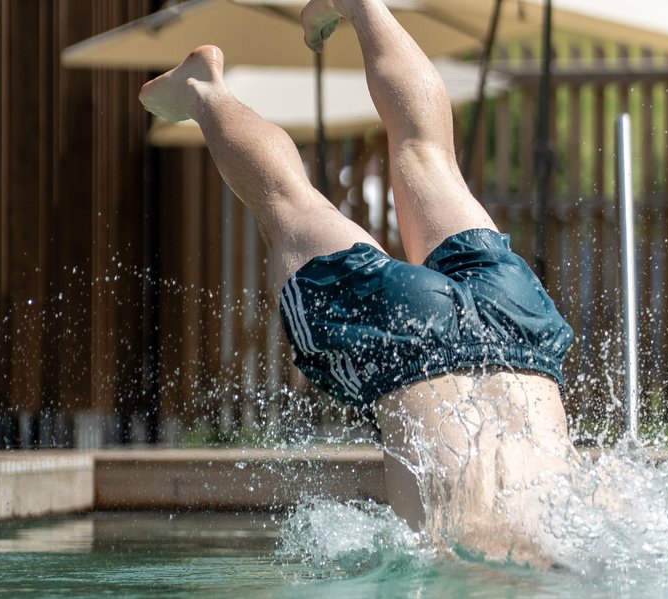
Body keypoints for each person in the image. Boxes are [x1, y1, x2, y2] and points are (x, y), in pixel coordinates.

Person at [139, 0, 579, 566]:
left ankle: (363, 5)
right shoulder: (491, 571)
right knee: (290, 202)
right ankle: (204, 90)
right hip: (405, 352)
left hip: (518, 333)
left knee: (429, 154)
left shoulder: (583, 549)